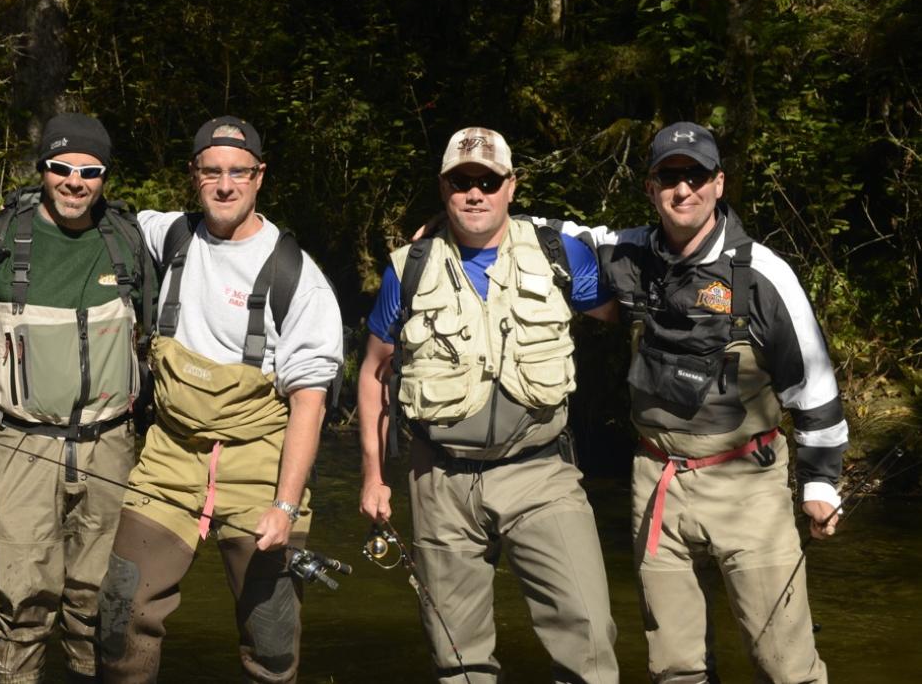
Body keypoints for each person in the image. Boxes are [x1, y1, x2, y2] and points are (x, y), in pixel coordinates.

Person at [551, 122, 845, 683]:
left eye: (695, 175)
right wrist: (460, 222)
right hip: (656, 480)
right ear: (650, 186)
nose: (682, 189)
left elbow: (815, 388)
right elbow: (559, 237)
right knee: (674, 666)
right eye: (669, 176)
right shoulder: (629, 253)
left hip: (748, 488)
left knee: (787, 666)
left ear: (718, 183)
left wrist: (820, 483)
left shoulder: (763, 275)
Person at [356, 127, 620, 683]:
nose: (475, 194)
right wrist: (374, 476)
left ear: (510, 186)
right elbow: (374, 370)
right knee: (458, 655)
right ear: (444, 188)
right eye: (461, 182)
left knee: (590, 634)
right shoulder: (407, 268)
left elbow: (627, 314)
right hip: (440, 481)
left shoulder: (558, 253)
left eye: (488, 181)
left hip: (542, 470)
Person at [96, 116, 344, 683]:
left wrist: (284, 506)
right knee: (120, 612)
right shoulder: (170, 234)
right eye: (212, 173)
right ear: (194, 176)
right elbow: (91, 206)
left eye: (239, 173)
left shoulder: (297, 276)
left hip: (261, 462)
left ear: (260, 177)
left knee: (272, 638)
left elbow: (310, 402)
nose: (225, 185)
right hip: (169, 455)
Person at [0, 113, 153, 683]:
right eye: (61, 167)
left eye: (90, 171)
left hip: (112, 444)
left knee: (98, 604)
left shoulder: (126, 242)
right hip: (20, 443)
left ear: (104, 176)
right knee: (22, 601)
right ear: (43, 169)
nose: (75, 181)